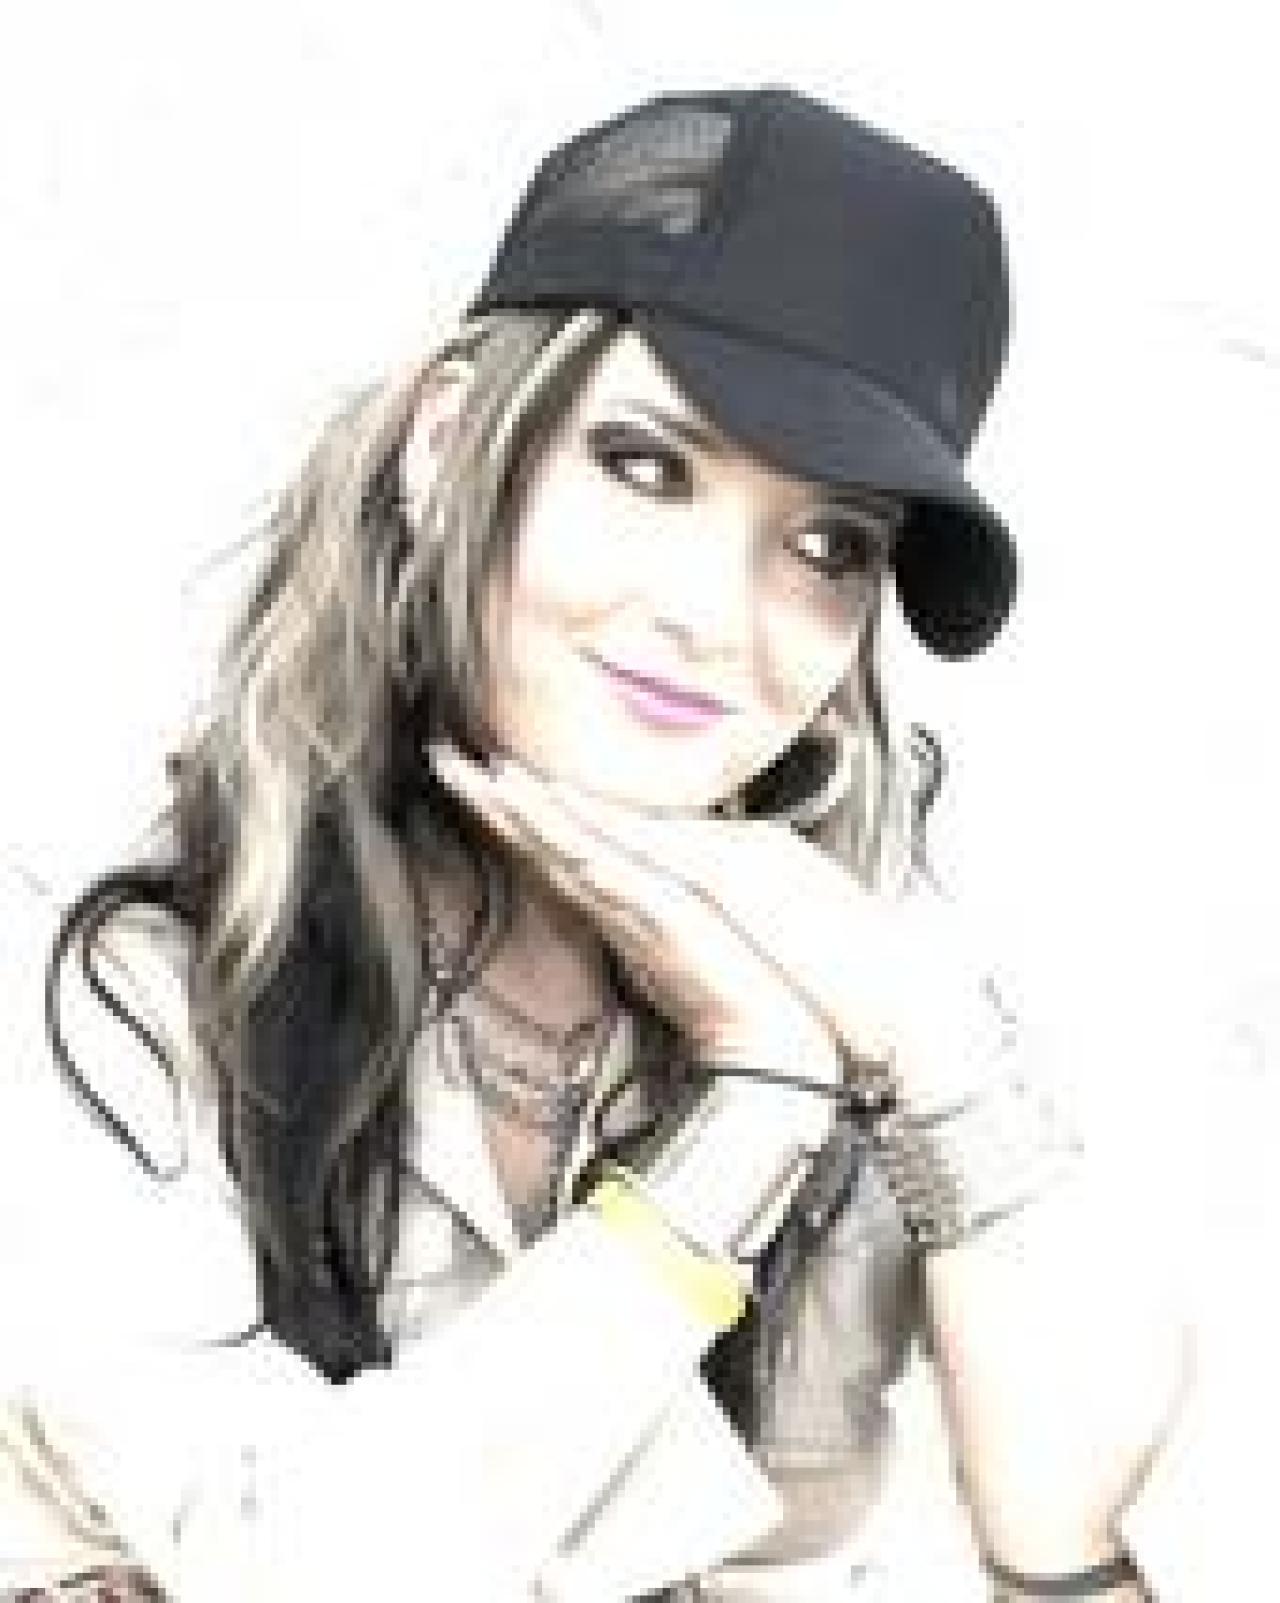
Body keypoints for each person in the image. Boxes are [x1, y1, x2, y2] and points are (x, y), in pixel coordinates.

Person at [0, 86, 1202, 1600]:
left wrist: (938, 1051)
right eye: (647, 466)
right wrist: (741, 1127)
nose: (712, 616)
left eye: (828, 545)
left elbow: (1090, 1550)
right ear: (454, 437)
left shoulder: (880, 1012)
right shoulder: (110, 976)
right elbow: (300, 1570)